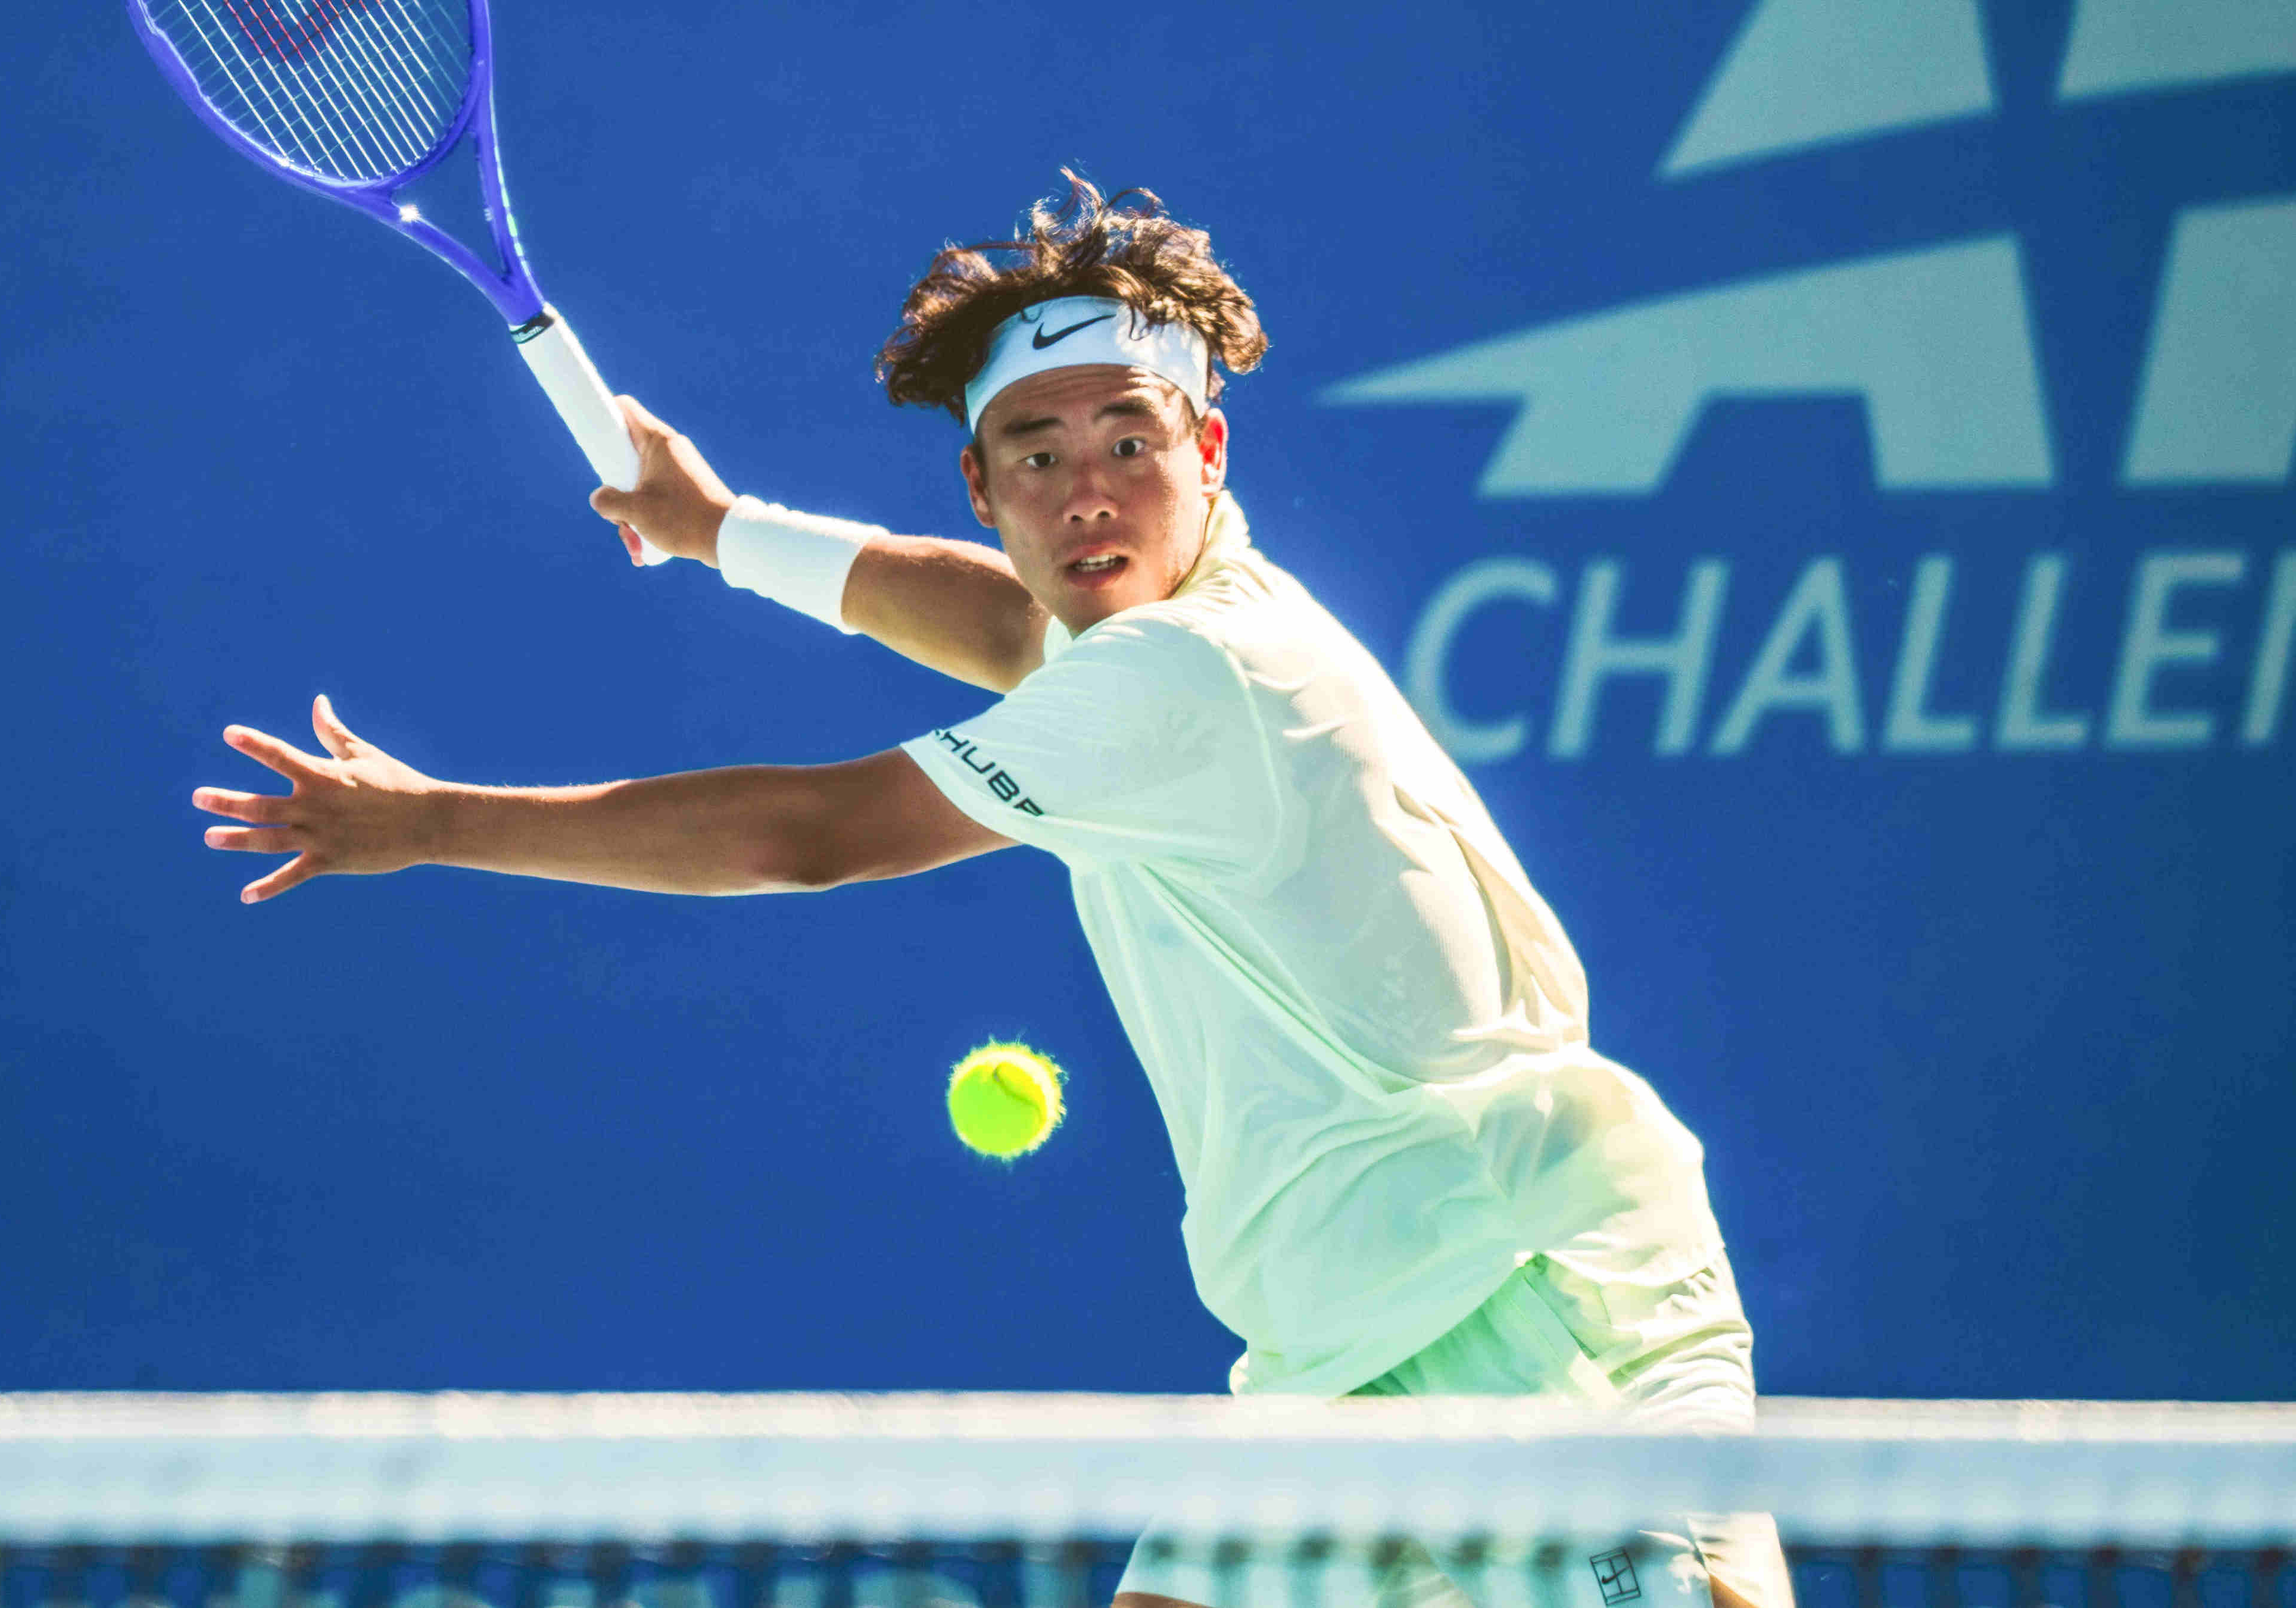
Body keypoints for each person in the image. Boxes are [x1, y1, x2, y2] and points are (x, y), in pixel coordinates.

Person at [193, 176, 1790, 1608]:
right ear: (983, 484)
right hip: (1350, 1334)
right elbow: (997, 622)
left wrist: (433, 822)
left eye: (1129, 445)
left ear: (1206, 451)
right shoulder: (1154, 618)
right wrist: (719, 528)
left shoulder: (1190, 677)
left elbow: (810, 833)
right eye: (1040, 455)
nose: (1088, 492)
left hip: (1517, 1296)